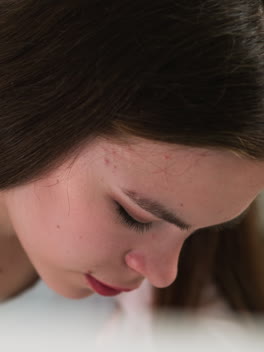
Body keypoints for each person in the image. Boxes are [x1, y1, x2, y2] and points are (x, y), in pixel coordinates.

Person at [0, 0, 264, 321]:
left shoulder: (199, 310)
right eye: (135, 217)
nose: (163, 274)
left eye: (201, 231)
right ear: (36, 105)